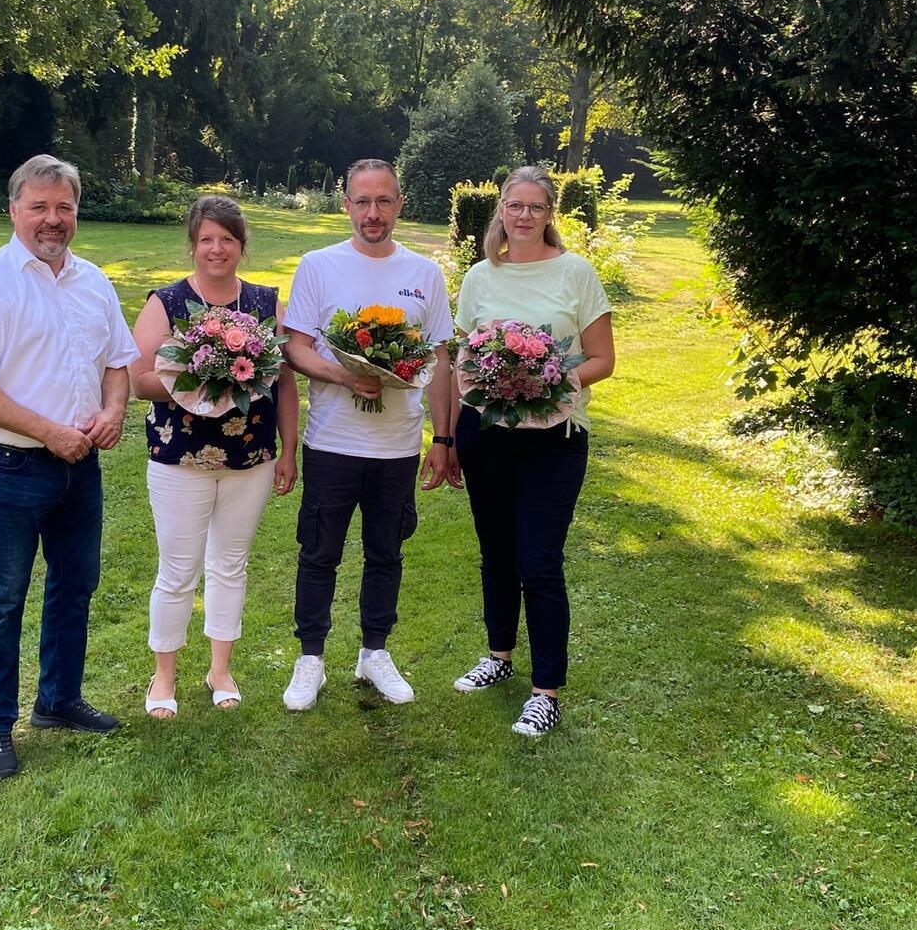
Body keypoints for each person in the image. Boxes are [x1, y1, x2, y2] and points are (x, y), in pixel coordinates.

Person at [0, 154, 139, 778]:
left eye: (64, 207)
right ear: (13, 210)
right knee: (4, 597)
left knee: (75, 585)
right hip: (8, 463)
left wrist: (113, 410)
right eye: (39, 207)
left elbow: (117, 361)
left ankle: (58, 700)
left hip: (80, 461)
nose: (52, 220)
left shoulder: (93, 281)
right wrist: (49, 432)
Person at [446, 165, 615, 736]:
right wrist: (447, 436)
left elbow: (601, 360)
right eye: (514, 206)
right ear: (501, 211)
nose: (524, 216)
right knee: (496, 554)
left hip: (554, 439)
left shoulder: (576, 273)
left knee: (538, 562)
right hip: (486, 435)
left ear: (550, 215)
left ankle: (546, 691)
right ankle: (498, 657)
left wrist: (543, 383)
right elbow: (462, 358)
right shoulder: (478, 277)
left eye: (535, 207)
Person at [280, 158, 454, 710]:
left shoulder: (424, 274)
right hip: (332, 440)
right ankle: (310, 659)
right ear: (346, 204)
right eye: (362, 201)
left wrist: (443, 440)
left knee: (386, 552)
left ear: (399, 205)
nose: (372, 213)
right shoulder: (318, 265)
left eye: (384, 201)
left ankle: (374, 652)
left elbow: (440, 360)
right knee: (319, 552)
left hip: (397, 445)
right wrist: (344, 373)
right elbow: (295, 345)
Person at [129, 195, 300, 718]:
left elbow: (286, 382)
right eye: (207, 238)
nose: (216, 248)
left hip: (250, 456)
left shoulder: (266, 303)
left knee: (230, 565)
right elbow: (138, 381)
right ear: (193, 244)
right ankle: (164, 676)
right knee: (177, 569)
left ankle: (220, 669)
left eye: (227, 239)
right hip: (179, 457)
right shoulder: (168, 302)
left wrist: (289, 450)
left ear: (242, 246)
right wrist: (196, 382)